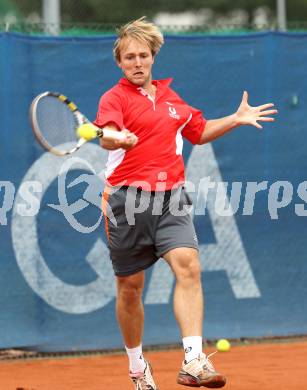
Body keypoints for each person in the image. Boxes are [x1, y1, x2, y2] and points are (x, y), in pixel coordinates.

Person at [94, 17, 277, 389]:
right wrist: (119, 138)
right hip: (126, 202)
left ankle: (193, 360)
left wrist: (236, 119)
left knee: (188, 266)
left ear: (153, 57)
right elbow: (106, 137)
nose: (137, 63)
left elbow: (199, 131)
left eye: (143, 55)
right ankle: (136, 365)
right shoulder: (113, 98)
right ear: (119, 62)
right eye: (129, 57)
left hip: (172, 199)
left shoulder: (172, 99)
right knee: (130, 287)